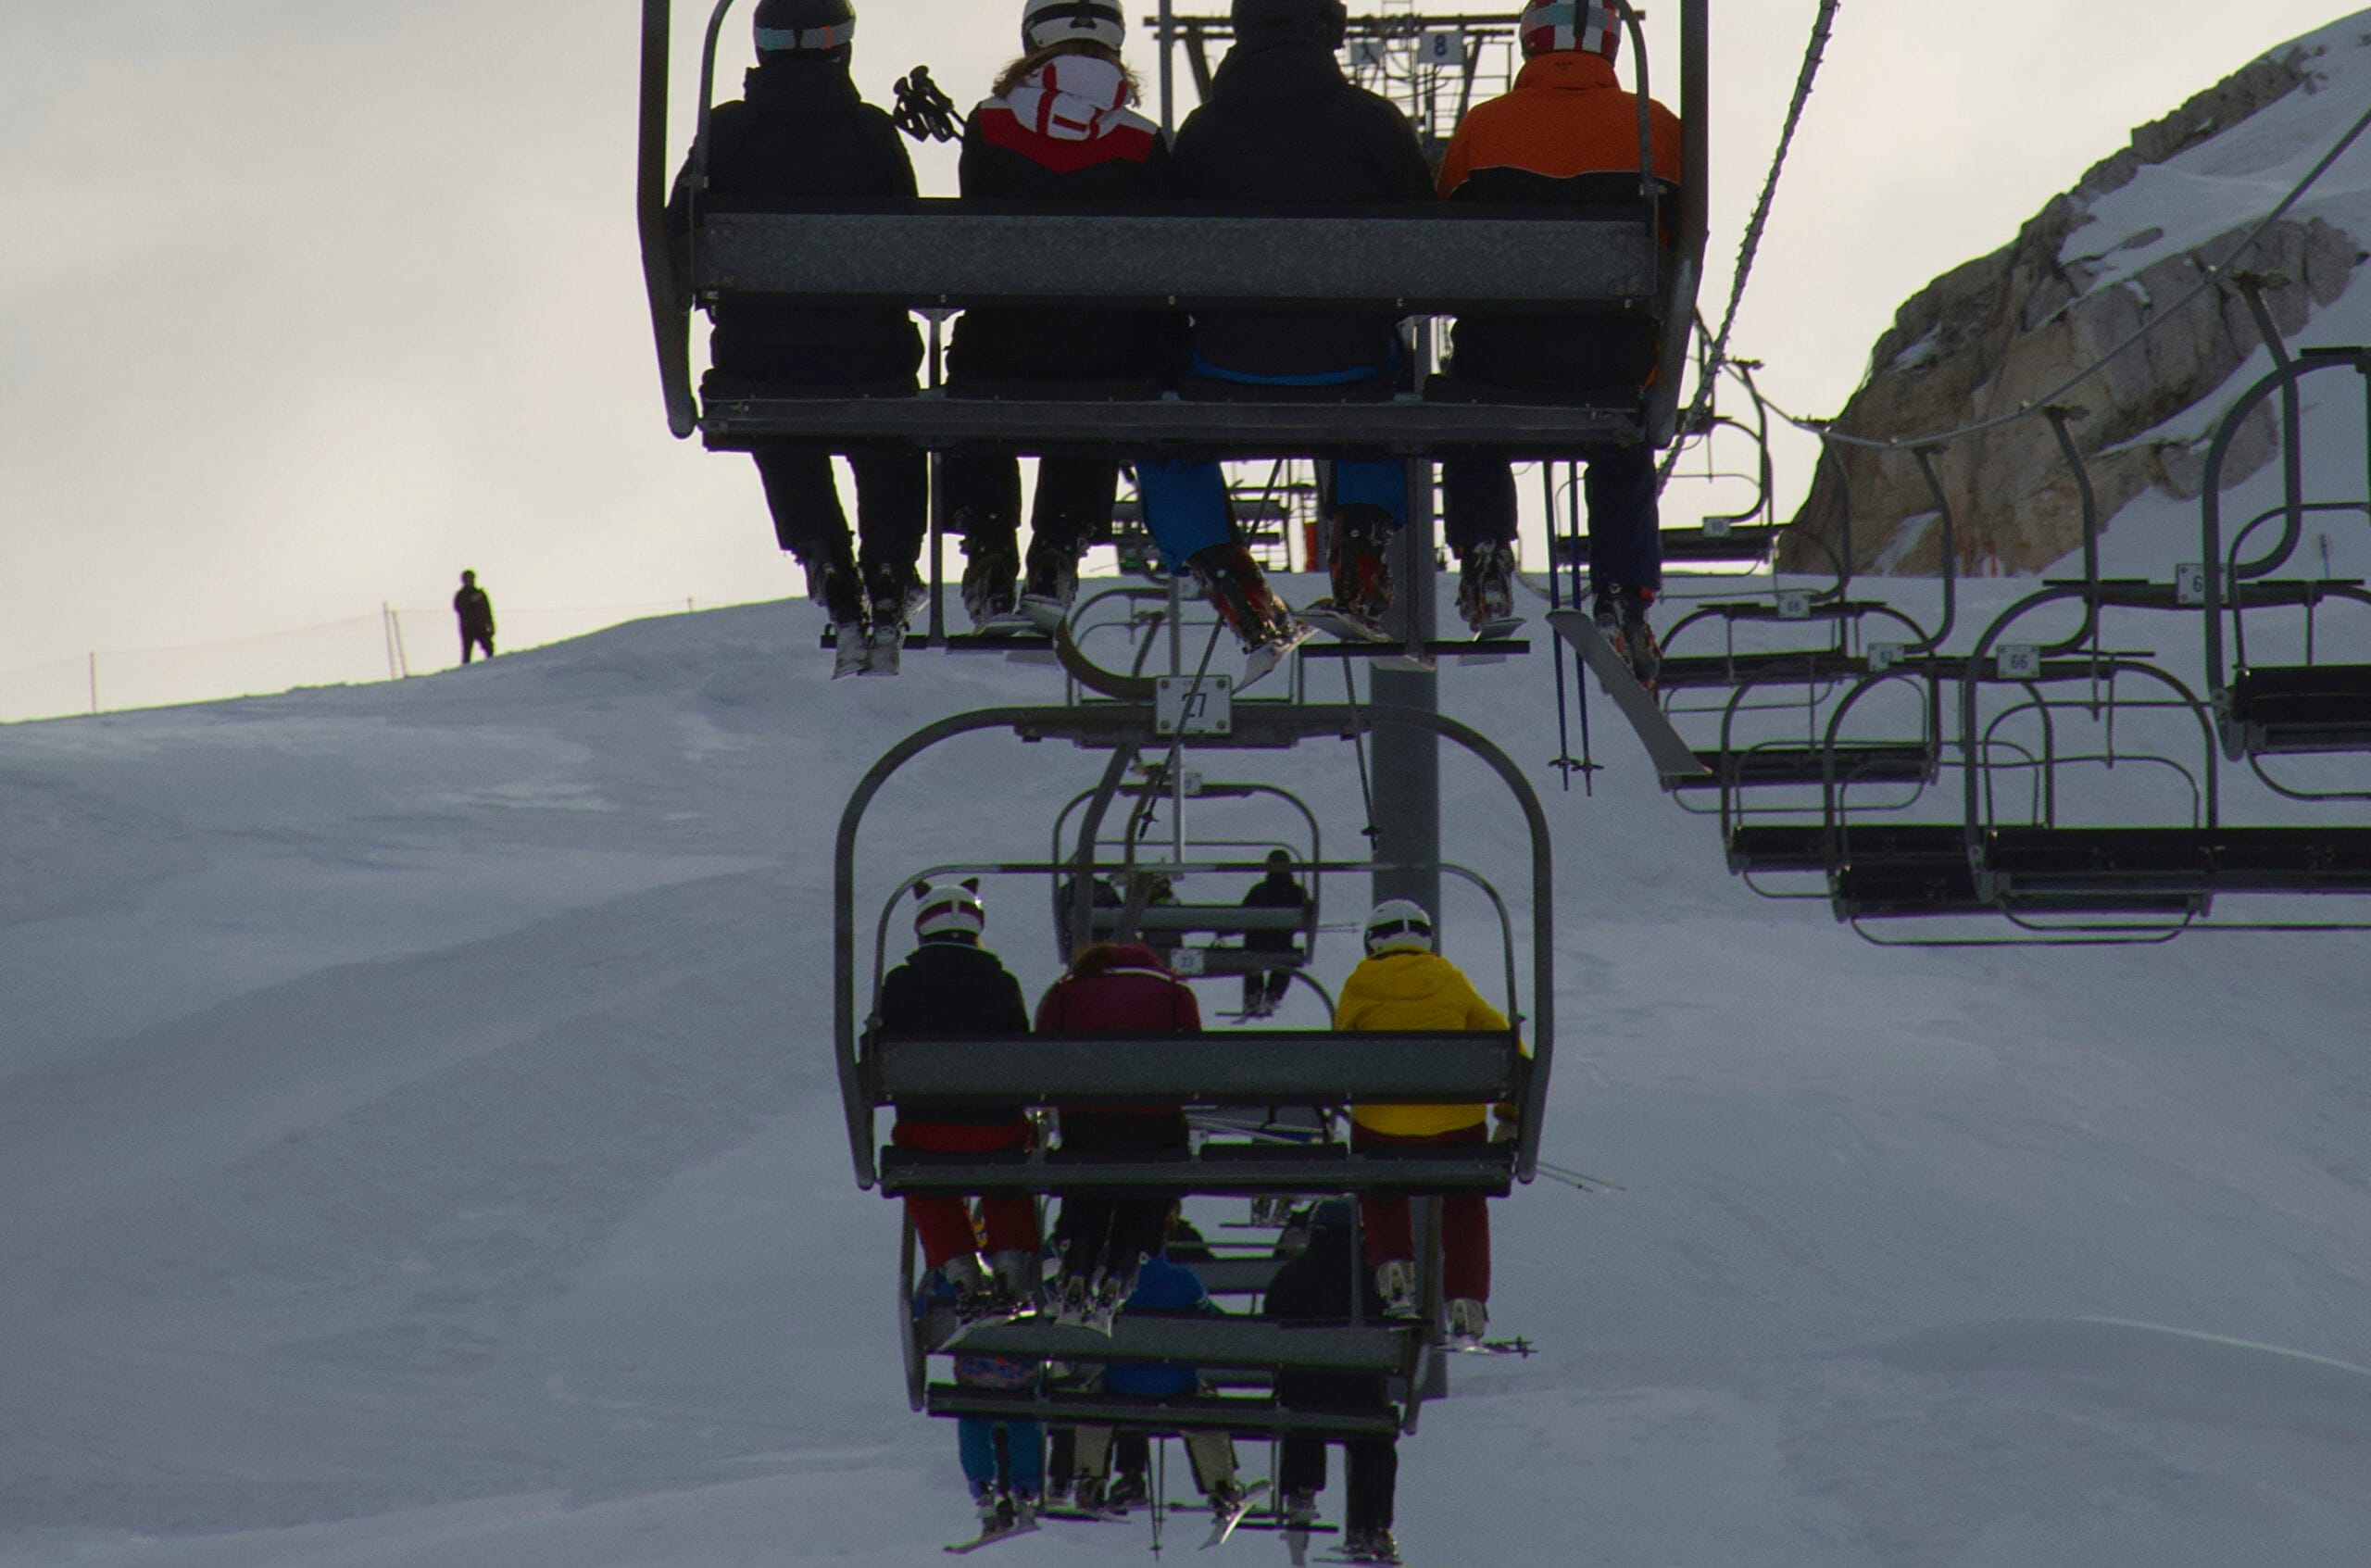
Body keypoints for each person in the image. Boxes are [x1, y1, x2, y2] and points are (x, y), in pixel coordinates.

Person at [1132, 0, 1434, 658]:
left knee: (1160, 424)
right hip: (1351, 361)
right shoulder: (1372, 124)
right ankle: (1362, 548)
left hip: (1226, 362)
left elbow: (1167, 252)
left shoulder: (1205, 130)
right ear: (1330, 31)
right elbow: (1424, 243)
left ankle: (1227, 575)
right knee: (1386, 392)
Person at [665, 0, 928, 676]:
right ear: (842, 45)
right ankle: (891, 566)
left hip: (762, 358)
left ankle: (826, 557)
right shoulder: (870, 133)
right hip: (871, 356)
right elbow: (914, 245)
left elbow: (676, 233)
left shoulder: (726, 131)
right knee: (887, 425)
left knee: (775, 409)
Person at [1435, 0, 1683, 676]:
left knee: (1466, 402)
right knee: (1622, 426)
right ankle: (1620, 590)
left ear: (1529, 44)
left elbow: (1442, 242)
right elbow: (1681, 242)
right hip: (1612, 357)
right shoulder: (1654, 127)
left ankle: (1486, 547)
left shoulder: (1484, 130)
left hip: (1500, 360)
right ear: (1610, 46)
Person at [944, 0, 1173, 629]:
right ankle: (1057, 547)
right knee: (1100, 359)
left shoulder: (988, 126)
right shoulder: (1142, 139)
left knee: (983, 362)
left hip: (998, 350)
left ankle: (990, 547)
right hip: (1105, 360)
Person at [1336, 898, 1520, 1345]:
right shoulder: (1451, 980)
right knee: (1465, 1199)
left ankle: (1395, 1266)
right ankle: (1466, 1300)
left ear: (1373, 943)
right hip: (1455, 1130)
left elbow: (1337, 1054)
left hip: (1383, 1131)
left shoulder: (1361, 983)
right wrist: (1510, 1116)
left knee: (1378, 1182)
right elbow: (1507, 1046)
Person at [875, 880, 1039, 1312]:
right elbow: (1023, 1055)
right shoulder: (1001, 983)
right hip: (995, 1130)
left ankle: (962, 1271)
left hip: (925, 1130)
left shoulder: (901, 983)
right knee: (1009, 1168)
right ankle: (1011, 1268)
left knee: (922, 1172)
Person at [1035, 942, 1198, 1323]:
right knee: (1151, 1176)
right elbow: (1195, 1055)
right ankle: (1126, 1262)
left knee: (1090, 1176)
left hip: (1087, 1125)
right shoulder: (1173, 987)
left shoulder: (1068, 987)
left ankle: (1078, 1260)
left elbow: (1041, 1054)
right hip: (1154, 1125)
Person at [1068, 1248, 1250, 1524]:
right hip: (1177, 1384)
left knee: (1093, 1401)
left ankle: (1088, 1477)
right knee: (1206, 1410)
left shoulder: (1107, 1282)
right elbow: (1214, 1322)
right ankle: (1221, 1485)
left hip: (1121, 1383)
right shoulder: (1185, 1279)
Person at [1263, 1200, 1399, 1564]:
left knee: (1301, 1412)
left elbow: (1269, 1330)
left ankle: (1301, 1489)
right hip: (1361, 1396)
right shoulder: (1374, 1280)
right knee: (1373, 1439)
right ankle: (1370, 1525)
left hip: (1304, 1394)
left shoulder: (1290, 1277)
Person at [1237, 848, 1308, 1015]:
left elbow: (1241, 917)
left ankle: (1253, 994)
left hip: (1256, 946)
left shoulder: (1258, 891)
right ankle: (1274, 994)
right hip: (1282, 945)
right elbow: (1305, 918)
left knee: (1252, 954)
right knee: (1283, 959)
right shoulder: (1297, 892)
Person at [453, 571, 496, 664]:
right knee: (467, 652)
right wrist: (471, 601)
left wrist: (491, 625)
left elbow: (487, 611)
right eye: (468, 578)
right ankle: (465, 672)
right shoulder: (461, 595)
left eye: (472, 578)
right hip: (468, 627)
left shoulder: (480, 593)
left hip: (481, 626)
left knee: (489, 647)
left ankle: (491, 666)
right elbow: (458, 608)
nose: (471, 580)